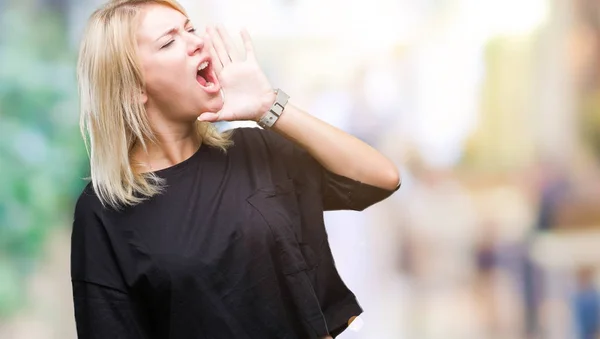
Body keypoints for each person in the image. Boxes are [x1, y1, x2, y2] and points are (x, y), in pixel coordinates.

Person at [71, 0, 400, 338]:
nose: (196, 42)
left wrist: (269, 106)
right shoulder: (104, 210)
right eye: (169, 42)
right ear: (133, 88)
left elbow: (380, 179)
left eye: (190, 30)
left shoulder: (256, 150)